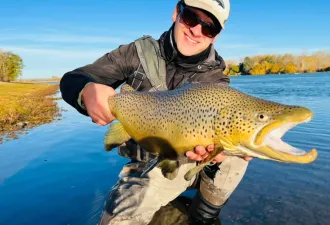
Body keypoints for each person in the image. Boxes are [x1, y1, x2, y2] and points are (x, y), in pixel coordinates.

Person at [59, 0, 252, 224]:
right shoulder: (135, 54)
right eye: (191, 17)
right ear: (176, 13)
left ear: (216, 35)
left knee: (241, 148)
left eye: (209, 27)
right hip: (147, 163)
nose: (197, 31)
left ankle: (205, 214)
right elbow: (74, 78)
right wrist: (85, 91)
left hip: (192, 160)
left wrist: (214, 152)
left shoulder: (215, 78)